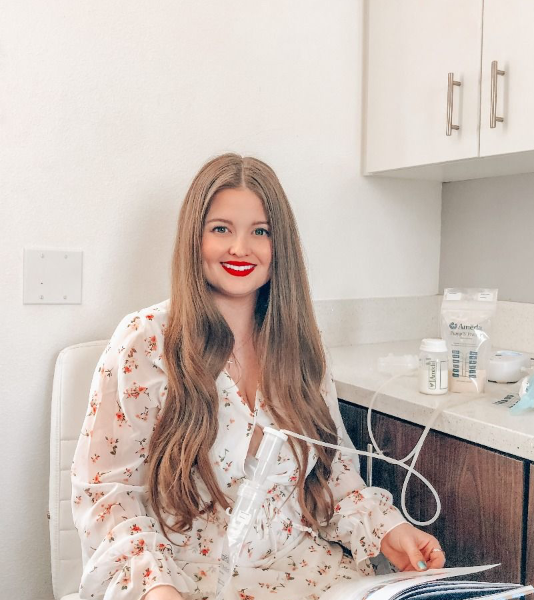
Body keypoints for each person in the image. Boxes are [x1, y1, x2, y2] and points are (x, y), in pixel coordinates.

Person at [71, 153, 445, 600]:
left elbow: (331, 478)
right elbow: (108, 496)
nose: (240, 248)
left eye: (260, 231)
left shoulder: (299, 345)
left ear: (278, 244)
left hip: (308, 573)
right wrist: (156, 588)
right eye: (221, 229)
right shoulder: (146, 341)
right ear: (195, 238)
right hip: (185, 583)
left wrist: (390, 530)